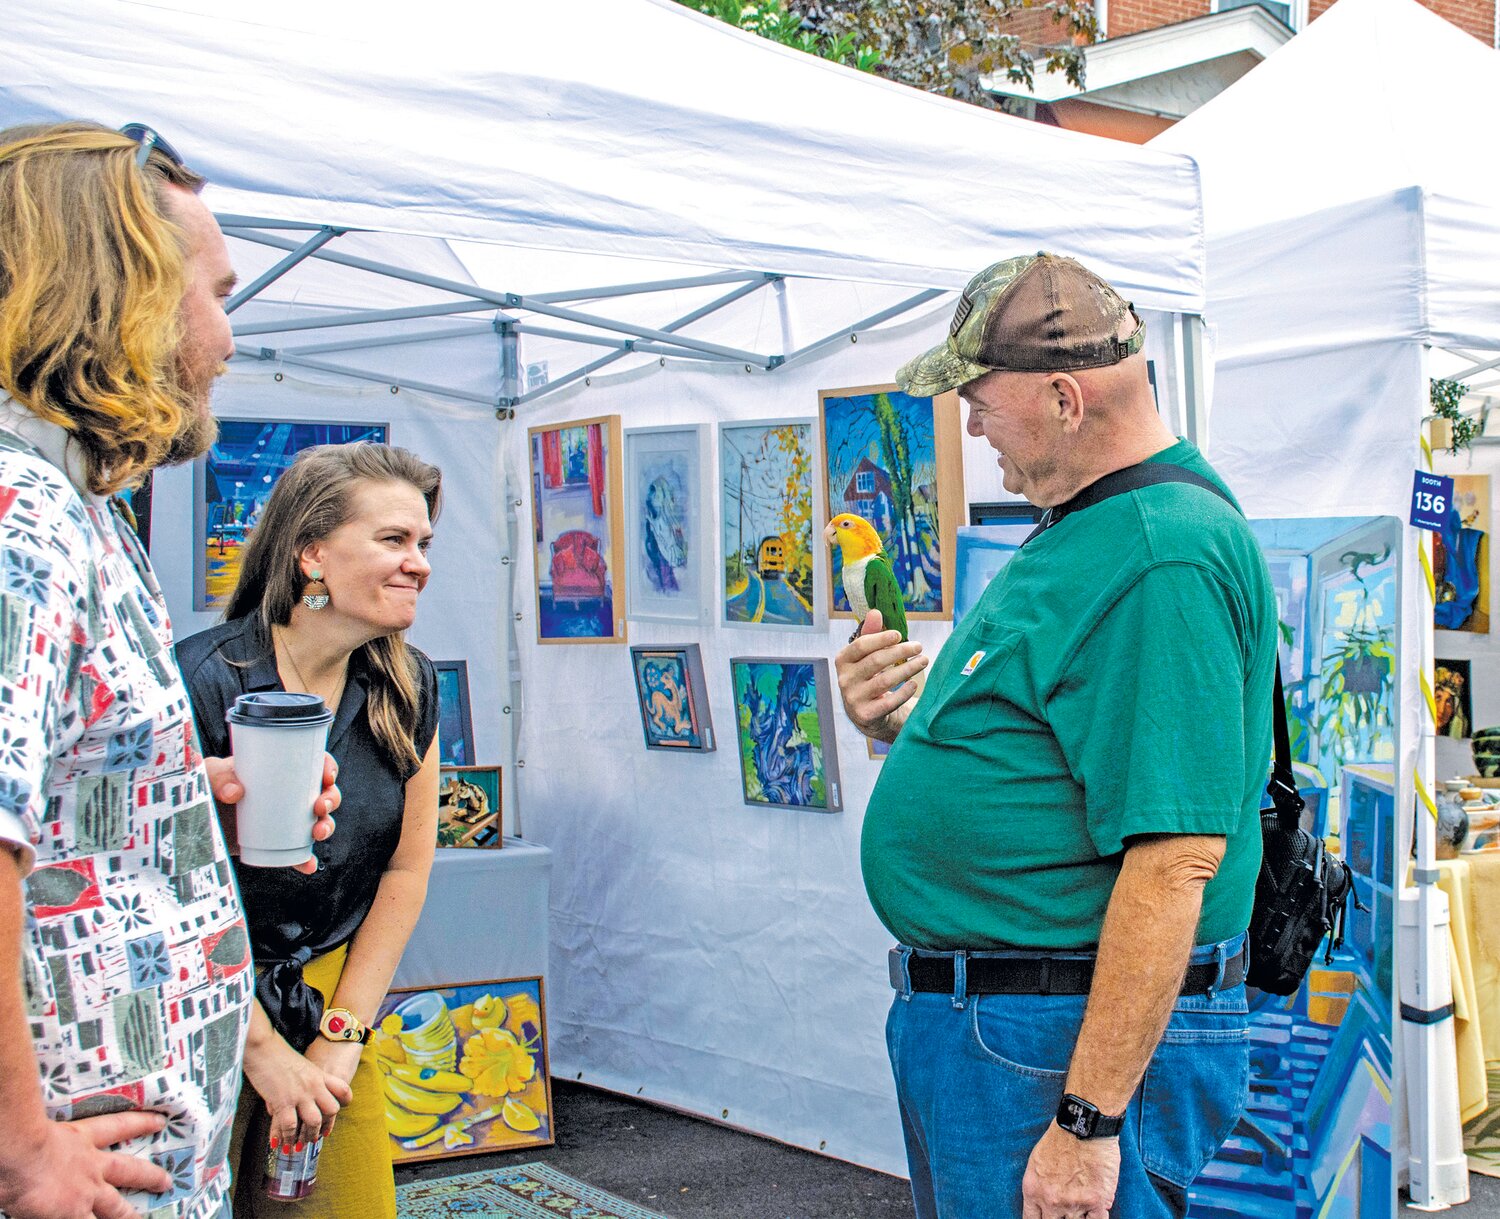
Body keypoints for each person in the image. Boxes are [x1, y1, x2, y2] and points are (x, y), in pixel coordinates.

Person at [838, 253, 1276, 1219]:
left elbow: (1175, 861)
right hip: (1020, 1025)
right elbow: (1056, 761)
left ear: (1068, 396)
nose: (969, 422)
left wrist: (1086, 1123)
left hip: (1049, 1038)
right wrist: (901, 732)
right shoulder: (1102, 523)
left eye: (979, 397)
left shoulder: (1162, 551)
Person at [0, 121, 339, 1219]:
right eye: (218, 293)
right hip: (76, 1181)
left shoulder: (81, 508)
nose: (230, 338)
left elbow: (45, 797)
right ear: (123, 297)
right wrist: (22, 1153)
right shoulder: (21, 518)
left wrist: (185, 788)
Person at [176, 442, 442, 1219]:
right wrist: (261, 1052)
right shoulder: (204, 679)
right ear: (312, 554)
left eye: (423, 543)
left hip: (329, 990)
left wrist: (343, 1033)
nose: (418, 563)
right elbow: (164, 888)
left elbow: (406, 871)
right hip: (201, 1000)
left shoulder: (407, 681)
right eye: (393, 540)